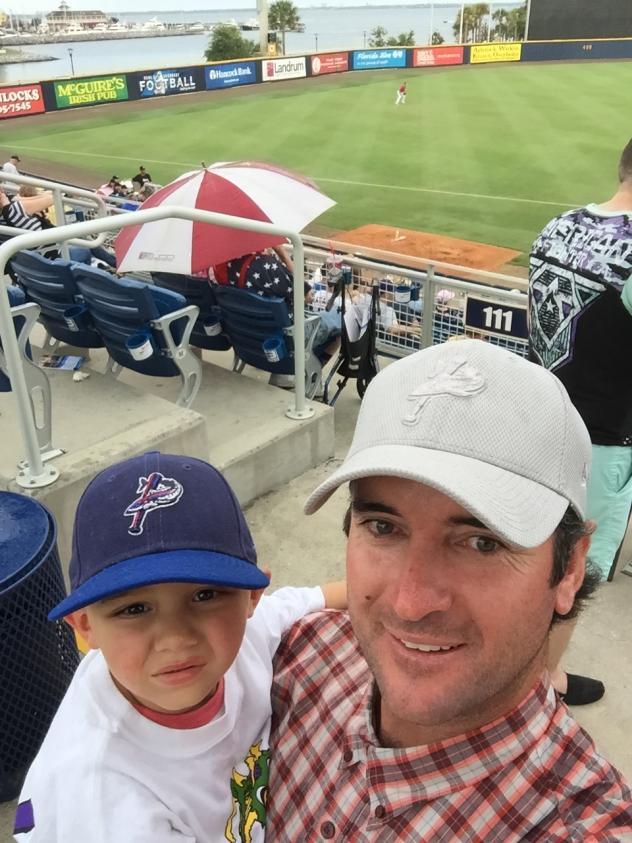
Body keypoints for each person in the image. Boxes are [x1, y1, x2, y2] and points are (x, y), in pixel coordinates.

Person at [268, 340, 632, 840]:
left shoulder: (581, 825)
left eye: (481, 542)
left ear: (569, 567)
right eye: (382, 527)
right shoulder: (298, 658)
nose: (410, 604)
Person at [13, 452, 346, 842]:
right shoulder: (109, 802)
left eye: (205, 594)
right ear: (86, 627)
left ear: (252, 597)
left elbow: (326, 597)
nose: (175, 639)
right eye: (134, 608)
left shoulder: (250, 632)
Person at [529, 139, 632, 704]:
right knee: (575, 572)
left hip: (541, 420)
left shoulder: (557, 224)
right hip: (603, 444)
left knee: (534, 552)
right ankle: (538, 686)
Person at [0, 185, 116, 268]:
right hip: (51, 256)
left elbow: (17, 200)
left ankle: (113, 264)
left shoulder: (7, 213)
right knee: (87, 247)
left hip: (33, 260)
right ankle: (115, 264)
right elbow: (53, 197)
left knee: (84, 239)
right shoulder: (14, 210)